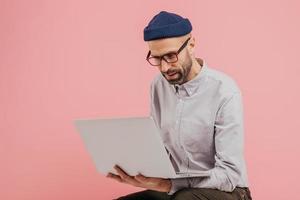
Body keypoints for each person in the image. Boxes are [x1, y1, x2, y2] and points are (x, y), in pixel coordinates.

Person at [107, 11, 252, 200]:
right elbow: (159, 149)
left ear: (191, 45)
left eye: (171, 56)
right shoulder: (158, 86)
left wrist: (167, 184)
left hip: (229, 192)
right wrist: (138, 171)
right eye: (157, 58)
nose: (165, 68)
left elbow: (229, 175)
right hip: (176, 189)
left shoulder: (225, 91)